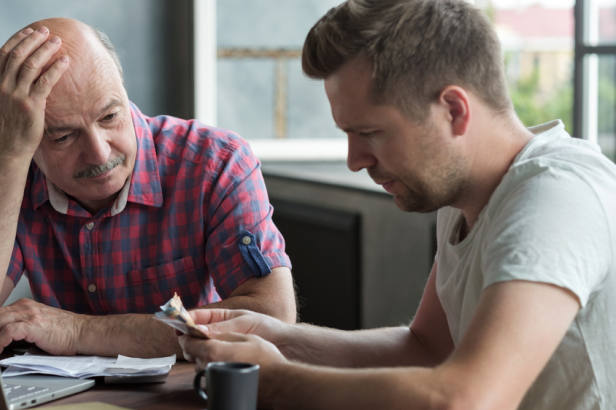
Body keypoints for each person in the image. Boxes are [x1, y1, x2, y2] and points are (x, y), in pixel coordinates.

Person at [178, 0, 616, 408]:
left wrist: (273, 379)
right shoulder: (462, 195)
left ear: (453, 111)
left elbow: (465, 399)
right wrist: (280, 340)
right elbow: (425, 349)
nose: (354, 161)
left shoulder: (556, 196)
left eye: (369, 133)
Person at [0, 18, 296, 358]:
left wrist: (78, 331)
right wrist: (5, 151)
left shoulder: (215, 163)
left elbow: (271, 317)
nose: (99, 152)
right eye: (64, 137)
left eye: (110, 116)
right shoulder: (10, 177)